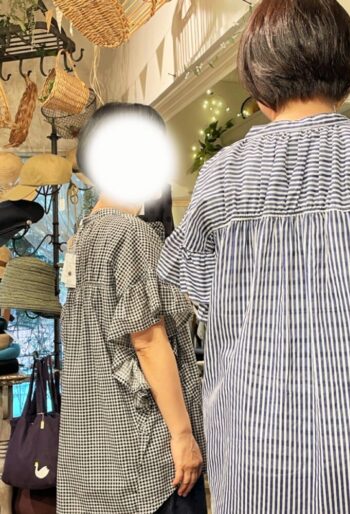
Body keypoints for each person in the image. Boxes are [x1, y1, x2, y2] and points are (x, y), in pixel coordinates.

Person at [157, 1, 350, 513]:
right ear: (344, 66)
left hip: (252, 450)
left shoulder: (220, 175)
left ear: (258, 78)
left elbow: (205, 301)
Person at [58, 103, 207, 514]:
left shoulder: (82, 238)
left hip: (94, 457)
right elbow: (148, 342)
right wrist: (182, 436)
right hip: (145, 461)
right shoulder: (131, 235)